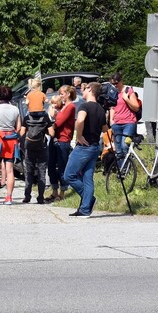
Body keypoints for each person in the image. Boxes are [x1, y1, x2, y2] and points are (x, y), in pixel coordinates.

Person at [62, 82, 109, 217]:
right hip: (95, 146)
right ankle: (85, 209)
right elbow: (105, 129)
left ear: (89, 89)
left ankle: (88, 201)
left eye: (84, 88)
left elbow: (80, 120)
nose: (81, 91)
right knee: (88, 178)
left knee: (69, 175)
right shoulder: (101, 109)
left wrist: (80, 135)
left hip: (84, 147)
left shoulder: (84, 106)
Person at [0, 85, 22, 205]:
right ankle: (9, 198)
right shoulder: (15, 109)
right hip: (11, 139)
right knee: (10, 170)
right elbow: (18, 127)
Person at [49, 85, 77, 201]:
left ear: (68, 94)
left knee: (62, 166)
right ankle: (54, 190)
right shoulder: (62, 107)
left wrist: (50, 126)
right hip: (54, 138)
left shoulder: (70, 107)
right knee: (51, 165)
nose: (60, 96)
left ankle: (62, 192)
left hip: (63, 139)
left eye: (62, 93)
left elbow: (59, 122)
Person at [109, 72, 141, 168]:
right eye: (113, 84)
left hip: (129, 123)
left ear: (121, 81)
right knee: (118, 150)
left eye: (116, 83)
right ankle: (121, 170)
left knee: (124, 145)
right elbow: (112, 107)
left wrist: (126, 99)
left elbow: (136, 107)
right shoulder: (112, 92)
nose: (115, 86)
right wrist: (111, 120)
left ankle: (127, 168)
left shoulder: (128, 90)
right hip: (116, 124)